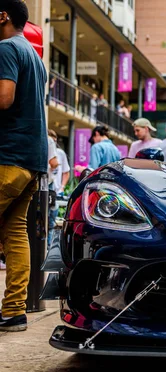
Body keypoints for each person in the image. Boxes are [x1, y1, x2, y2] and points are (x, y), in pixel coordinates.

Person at [0, 0, 48, 331]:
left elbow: (4, 97)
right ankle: (14, 310)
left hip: (8, 156)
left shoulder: (5, 48)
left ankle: (15, 309)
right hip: (32, 161)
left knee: (16, 232)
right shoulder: (33, 54)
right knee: (16, 232)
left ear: (2, 16)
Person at [47, 130, 70, 249]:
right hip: (47, 186)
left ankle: (49, 246)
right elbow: (53, 164)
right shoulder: (46, 147)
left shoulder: (60, 153)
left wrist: (62, 186)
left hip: (55, 191)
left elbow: (66, 172)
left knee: (51, 220)